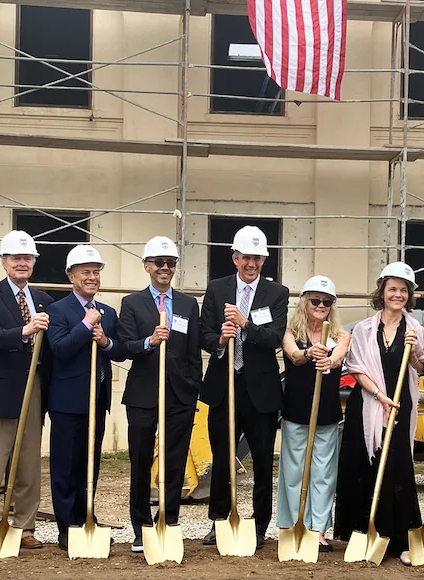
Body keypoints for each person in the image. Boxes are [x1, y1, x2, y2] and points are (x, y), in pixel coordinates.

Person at [334, 262, 424, 564]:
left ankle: (403, 539)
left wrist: (413, 352)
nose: (398, 294)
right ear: (382, 292)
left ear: (409, 295)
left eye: (404, 290)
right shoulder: (364, 329)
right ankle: (364, 533)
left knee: (399, 469)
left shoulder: (415, 329)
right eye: (393, 289)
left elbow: (420, 367)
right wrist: (380, 397)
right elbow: (357, 369)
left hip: (400, 405)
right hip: (368, 404)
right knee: (365, 468)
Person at [199, 226, 290, 548]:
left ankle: (260, 524)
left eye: (257, 258)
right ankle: (219, 521)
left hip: (260, 391)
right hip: (224, 386)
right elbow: (203, 334)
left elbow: (275, 337)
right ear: (235, 258)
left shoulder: (276, 293)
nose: (251, 263)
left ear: (264, 260)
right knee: (221, 458)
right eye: (245, 257)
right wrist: (220, 339)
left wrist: (245, 325)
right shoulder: (216, 288)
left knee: (263, 460)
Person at [116, 236, 201, 554]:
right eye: (159, 263)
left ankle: (169, 520)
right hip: (142, 395)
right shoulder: (132, 303)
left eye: (171, 263)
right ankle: (141, 527)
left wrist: (193, 389)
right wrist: (148, 342)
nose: (165, 268)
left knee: (175, 461)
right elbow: (124, 347)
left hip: (179, 395)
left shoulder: (188, 304)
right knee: (140, 460)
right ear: (147, 266)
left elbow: (193, 352)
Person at [0, 230, 53, 549]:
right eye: (16, 258)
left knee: (29, 461)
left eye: (27, 258)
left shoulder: (44, 299)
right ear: (4, 262)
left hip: (33, 387)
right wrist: (25, 330)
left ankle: (25, 526)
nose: (22, 263)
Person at [46, 244, 127, 550]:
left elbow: (119, 349)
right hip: (68, 401)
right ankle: (67, 527)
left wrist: (106, 341)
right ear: (71, 276)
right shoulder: (58, 310)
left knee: (89, 465)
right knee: (66, 466)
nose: (92, 278)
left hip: (97, 400)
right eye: (85, 272)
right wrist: (85, 325)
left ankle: (85, 517)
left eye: (96, 272)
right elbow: (60, 349)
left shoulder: (109, 311)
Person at [277, 275, 349, 551]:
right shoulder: (291, 333)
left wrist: (327, 359)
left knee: (323, 472)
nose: (321, 306)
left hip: (327, 413)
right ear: (305, 303)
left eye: (326, 302)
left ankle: (317, 529)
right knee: (293, 470)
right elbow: (294, 355)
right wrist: (310, 354)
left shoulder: (340, 335)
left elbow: (338, 356)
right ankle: (291, 523)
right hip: (296, 409)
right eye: (316, 301)